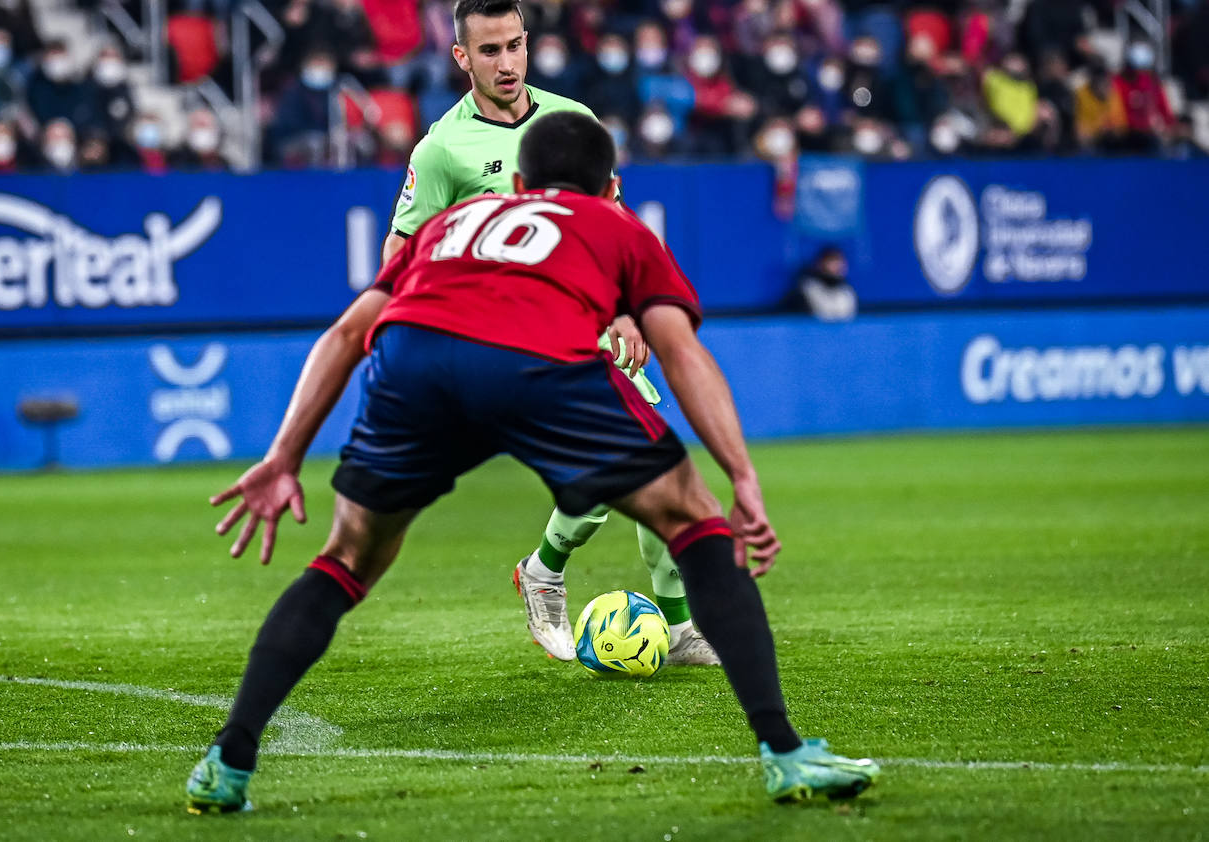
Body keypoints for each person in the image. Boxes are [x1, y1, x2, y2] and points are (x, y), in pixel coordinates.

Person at [184, 111, 880, 813]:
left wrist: (284, 457)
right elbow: (680, 351)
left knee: (347, 558)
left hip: (413, 363)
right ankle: (785, 753)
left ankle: (230, 757)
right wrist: (742, 475)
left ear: (517, 183)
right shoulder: (617, 225)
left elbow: (346, 333)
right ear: (610, 185)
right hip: (534, 359)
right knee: (693, 521)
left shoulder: (447, 227)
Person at [381, 0, 719, 667]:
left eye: (514, 46)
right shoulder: (441, 150)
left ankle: (673, 625)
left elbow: (611, 226)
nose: (506, 63)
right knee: (623, 465)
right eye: (489, 51)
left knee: (656, 463)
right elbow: (399, 252)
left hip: (584, 325)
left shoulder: (573, 122)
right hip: (504, 339)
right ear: (461, 57)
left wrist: (625, 307)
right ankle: (547, 568)